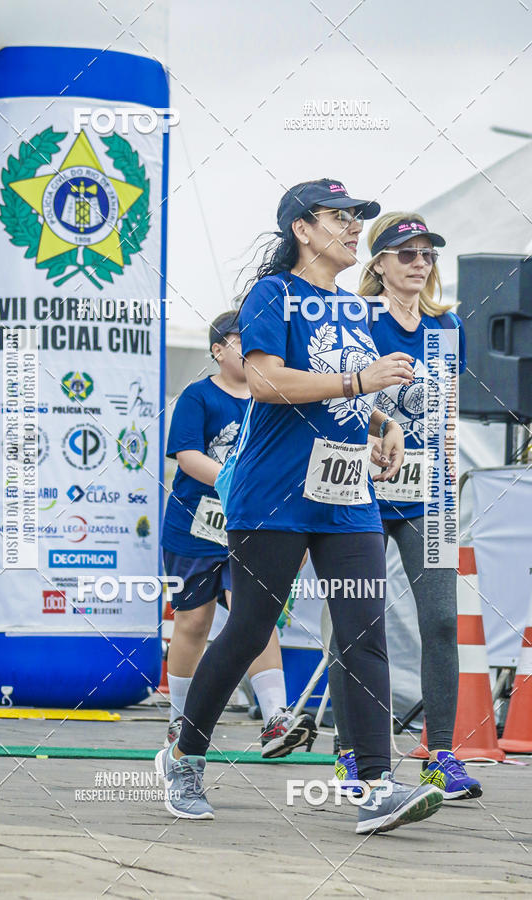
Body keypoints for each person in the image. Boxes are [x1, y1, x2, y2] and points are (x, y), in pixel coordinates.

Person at [156, 179, 445, 833]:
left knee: (365, 630)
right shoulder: (274, 295)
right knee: (249, 632)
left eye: (356, 218)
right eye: (338, 217)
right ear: (302, 231)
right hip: (274, 498)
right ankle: (185, 757)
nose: (352, 227)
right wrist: (359, 382)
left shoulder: (350, 308)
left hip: (346, 497)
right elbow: (263, 380)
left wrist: (381, 424)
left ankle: (374, 784)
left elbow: (350, 393)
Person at [328, 212, 482, 800]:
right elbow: (332, 394)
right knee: (356, 623)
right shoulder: (353, 317)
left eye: (427, 255)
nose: (420, 263)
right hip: (357, 488)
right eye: (407, 253)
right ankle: (350, 755)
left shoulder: (447, 328)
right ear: (379, 264)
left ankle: (440, 753)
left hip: (426, 494)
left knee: (441, 620)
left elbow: (443, 412)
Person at [161, 311, 316, 759]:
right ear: (217, 350)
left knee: (256, 615)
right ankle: (181, 719)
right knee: (194, 621)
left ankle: (275, 718)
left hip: (256, 526)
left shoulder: (274, 399)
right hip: (196, 525)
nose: (249, 349)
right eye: (238, 341)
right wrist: (235, 484)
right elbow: (188, 456)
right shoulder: (199, 396)